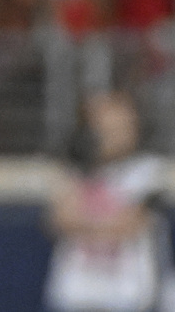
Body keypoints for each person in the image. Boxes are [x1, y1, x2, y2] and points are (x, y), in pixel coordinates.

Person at [42, 90, 175, 312]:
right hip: (78, 293)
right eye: (104, 127)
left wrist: (84, 221)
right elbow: (59, 219)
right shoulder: (76, 171)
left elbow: (128, 224)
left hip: (128, 295)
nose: (112, 135)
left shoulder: (149, 171)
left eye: (119, 127)